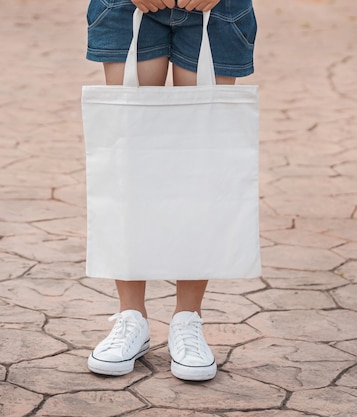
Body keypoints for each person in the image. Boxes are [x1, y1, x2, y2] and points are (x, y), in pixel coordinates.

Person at [84, 0, 257, 381]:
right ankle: (131, 318)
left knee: (202, 167)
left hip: (220, 8)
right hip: (127, 6)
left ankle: (187, 319)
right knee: (129, 164)